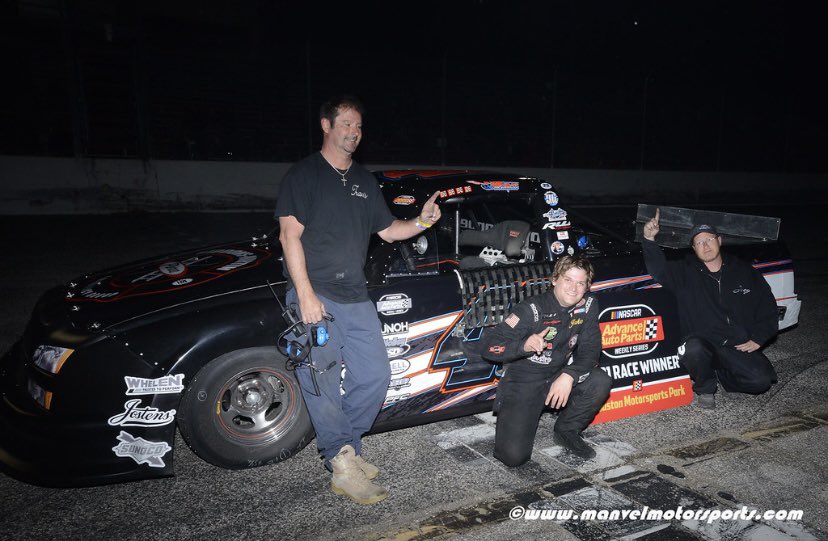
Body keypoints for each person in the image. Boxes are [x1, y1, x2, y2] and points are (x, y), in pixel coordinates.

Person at [274, 95, 441, 504]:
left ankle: (343, 447)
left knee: (375, 377)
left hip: (355, 295)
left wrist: (422, 221)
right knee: (322, 382)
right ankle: (343, 459)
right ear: (326, 126)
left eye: (359, 126)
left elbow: (388, 232)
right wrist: (307, 295)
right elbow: (289, 236)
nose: (354, 132)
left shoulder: (365, 182)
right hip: (315, 293)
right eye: (346, 124)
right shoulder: (304, 175)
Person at [641, 208, 778, 409]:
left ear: (719, 241)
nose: (705, 246)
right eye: (699, 243)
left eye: (709, 240)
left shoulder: (745, 271)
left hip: (735, 344)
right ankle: (705, 387)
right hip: (702, 343)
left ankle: (724, 377)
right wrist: (649, 239)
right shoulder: (684, 272)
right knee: (693, 349)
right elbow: (658, 269)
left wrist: (759, 337)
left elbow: (767, 306)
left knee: (761, 381)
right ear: (694, 249)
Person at [481, 255, 612, 465]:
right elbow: (489, 348)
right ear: (555, 280)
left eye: (581, 283)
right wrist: (523, 346)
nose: (573, 288)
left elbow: (591, 351)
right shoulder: (531, 309)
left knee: (600, 380)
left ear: (588, 286)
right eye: (568, 280)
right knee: (513, 458)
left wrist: (569, 376)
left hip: (557, 375)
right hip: (524, 381)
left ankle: (566, 431)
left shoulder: (588, 305)